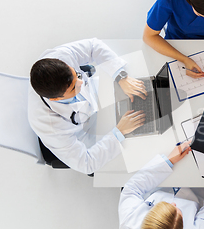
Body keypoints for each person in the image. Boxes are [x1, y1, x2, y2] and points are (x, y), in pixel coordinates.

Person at [28, 38, 148, 175]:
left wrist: (121, 77)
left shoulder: (59, 58)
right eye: (73, 87)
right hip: (86, 133)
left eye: (77, 74)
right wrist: (119, 132)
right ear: (56, 99)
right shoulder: (51, 127)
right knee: (139, 150)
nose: (81, 82)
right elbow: (87, 164)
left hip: (96, 101)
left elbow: (93, 46)